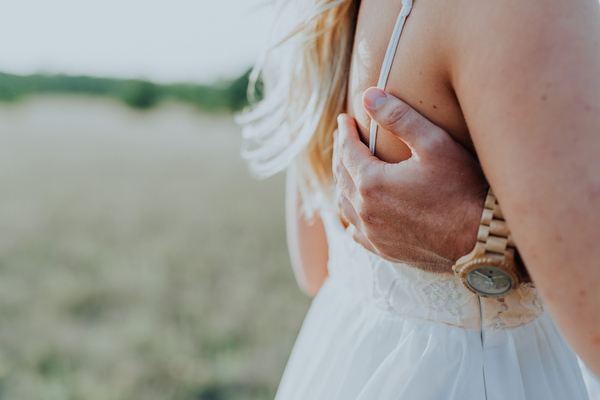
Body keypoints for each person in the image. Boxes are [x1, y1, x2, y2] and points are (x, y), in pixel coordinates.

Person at [240, 0, 600, 398]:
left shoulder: (316, 18)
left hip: (347, 362)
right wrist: (487, 242)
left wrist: (477, 234)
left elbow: (314, 268)